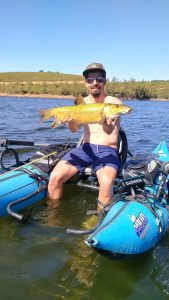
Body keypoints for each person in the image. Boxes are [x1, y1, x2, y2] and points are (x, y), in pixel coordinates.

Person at [47, 62, 123, 211]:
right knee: (55, 177)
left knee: (106, 184)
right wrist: (70, 122)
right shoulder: (81, 103)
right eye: (90, 80)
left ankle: (98, 223)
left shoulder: (114, 103)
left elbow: (108, 131)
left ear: (105, 81)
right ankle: (52, 218)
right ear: (86, 83)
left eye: (99, 79)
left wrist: (105, 122)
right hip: (85, 148)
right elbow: (75, 130)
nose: (95, 83)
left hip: (107, 150)